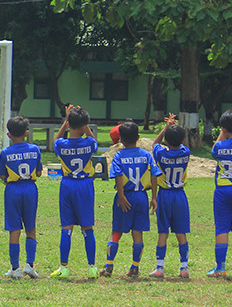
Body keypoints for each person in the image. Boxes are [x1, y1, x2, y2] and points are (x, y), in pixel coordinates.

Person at [102, 120, 161, 278]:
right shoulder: (147, 155)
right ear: (139, 137)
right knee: (138, 233)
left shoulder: (119, 155)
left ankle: (109, 267)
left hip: (125, 196)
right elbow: (154, 175)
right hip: (142, 196)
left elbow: (118, 176)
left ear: (120, 139)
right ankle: (135, 267)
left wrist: (121, 195)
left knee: (116, 232)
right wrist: (154, 198)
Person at [50, 104, 99, 279]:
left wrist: (66, 121)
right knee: (88, 228)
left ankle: (64, 267)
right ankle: (92, 267)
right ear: (85, 124)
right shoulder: (88, 143)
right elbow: (94, 141)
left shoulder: (61, 145)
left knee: (66, 228)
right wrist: (84, 125)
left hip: (68, 184)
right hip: (85, 184)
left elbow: (56, 140)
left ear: (69, 124)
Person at [0, 116, 43, 279]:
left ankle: (15, 268)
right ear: (26, 133)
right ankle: (30, 265)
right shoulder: (35, 149)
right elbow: (38, 172)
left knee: (14, 229)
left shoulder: (5, 152)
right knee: (31, 227)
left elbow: (3, 175)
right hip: (30, 188)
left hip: (13, 190)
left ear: (9, 135)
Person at [150, 113, 191, 279]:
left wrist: (166, 127)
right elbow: (180, 144)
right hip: (180, 196)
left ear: (166, 140)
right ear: (182, 141)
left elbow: (155, 144)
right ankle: (184, 267)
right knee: (181, 232)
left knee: (163, 232)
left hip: (164, 195)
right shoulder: (186, 152)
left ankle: (160, 267)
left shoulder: (161, 154)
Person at [208, 109, 232, 278]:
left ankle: (220, 268)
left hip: (223, 190)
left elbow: (214, 150)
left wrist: (222, 134)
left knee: (222, 227)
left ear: (223, 128)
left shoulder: (220, 147)